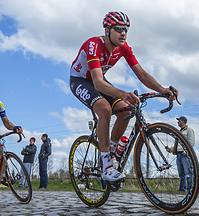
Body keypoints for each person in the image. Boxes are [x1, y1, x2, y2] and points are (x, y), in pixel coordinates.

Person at [70, 11, 177, 183]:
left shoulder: (123, 48)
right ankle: (106, 165)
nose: (124, 33)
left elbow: (141, 74)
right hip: (81, 80)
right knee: (104, 109)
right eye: (119, 29)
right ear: (107, 30)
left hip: (98, 79)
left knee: (125, 109)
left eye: (126, 29)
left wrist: (162, 89)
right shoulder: (93, 45)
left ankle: (110, 151)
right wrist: (122, 93)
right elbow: (97, 83)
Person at [166, 116, 195, 191]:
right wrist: (170, 149)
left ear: (183, 121)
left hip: (184, 154)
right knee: (181, 174)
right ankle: (182, 189)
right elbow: (177, 145)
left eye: (179, 120)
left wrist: (186, 151)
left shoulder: (189, 130)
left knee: (188, 172)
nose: (178, 122)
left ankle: (190, 189)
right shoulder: (179, 132)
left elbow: (191, 142)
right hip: (178, 155)